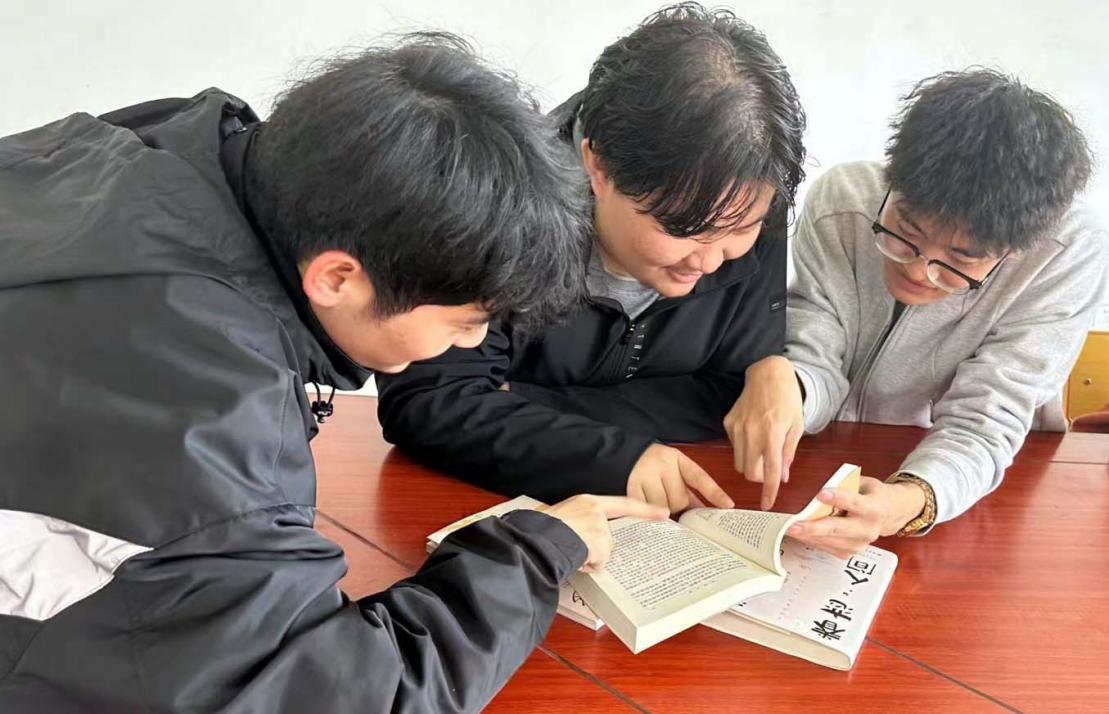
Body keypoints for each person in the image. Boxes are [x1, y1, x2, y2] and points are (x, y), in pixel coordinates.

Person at [0, 34, 667, 713]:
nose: (471, 341)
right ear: (338, 278)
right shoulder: (210, 419)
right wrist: (531, 552)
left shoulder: (133, 151)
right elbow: (324, 695)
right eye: (469, 320)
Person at [377, 3, 807, 513]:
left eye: (740, 229)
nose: (711, 260)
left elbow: (729, 391)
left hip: (676, 491)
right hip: (477, 504)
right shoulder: (493, 201)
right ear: (598, 166)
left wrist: (524, 403)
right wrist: (610, 457)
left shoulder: (749, 194)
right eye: (683, 229)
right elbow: (430, 399)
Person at [728, 69, 1106, 558]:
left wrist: (910, 500)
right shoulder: (843, 201)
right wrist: (791, 389)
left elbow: (988, 417)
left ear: (1015, 250)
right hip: (828, 457)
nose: (918, 271)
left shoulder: (1065, 253)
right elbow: (816, 341)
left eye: (962, 259)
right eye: (904, 232)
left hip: (977, 492)